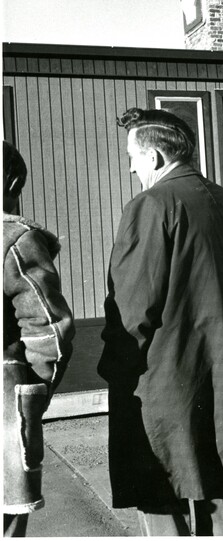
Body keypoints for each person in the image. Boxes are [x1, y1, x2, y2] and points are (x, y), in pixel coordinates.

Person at [99, 108, 223, 536]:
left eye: (132, 157)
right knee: (217, 490)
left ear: (154, 157)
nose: (132, 167)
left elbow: (133, 305)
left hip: (164, 376)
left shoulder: (151, 204)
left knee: (158, 487)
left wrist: (115, 369)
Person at [3, 141, 74, 537]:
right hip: (4, 402)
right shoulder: (14, 239)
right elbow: (50, 328)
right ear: (14, 180)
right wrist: (37, 390)